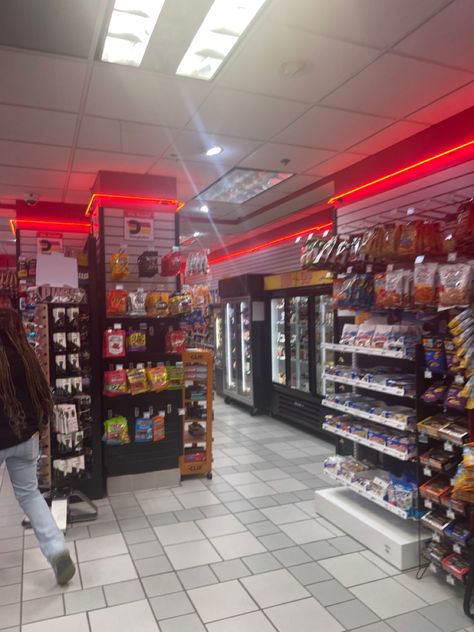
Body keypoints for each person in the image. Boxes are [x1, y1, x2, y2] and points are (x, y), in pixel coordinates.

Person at [0, 308, 75, 585]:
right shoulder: (26, 355)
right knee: (30, 495)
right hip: (26, 438)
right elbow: (40, 395)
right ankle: (57, 550)